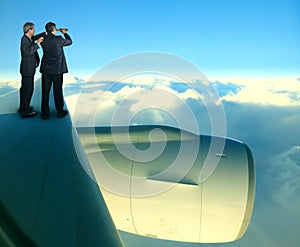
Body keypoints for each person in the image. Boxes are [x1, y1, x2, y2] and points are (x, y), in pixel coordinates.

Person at [40, 22, 72, 119]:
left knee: (45, 92)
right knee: (57, 91)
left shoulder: (42, 40)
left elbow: (42, 38)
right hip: (57, 70)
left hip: (46, 69)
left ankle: (45, 114)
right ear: (54, 29)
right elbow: (70, 41)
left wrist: (47, 33)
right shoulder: (59, 39)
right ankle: (60, 112)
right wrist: (64, 33)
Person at [19, 22, 45, 118]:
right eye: (33, 29)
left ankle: (23, 107)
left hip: (27, 69)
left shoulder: (28, 38)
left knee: (24, 89)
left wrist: (45, 33)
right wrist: (37, 43)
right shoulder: (24, 40)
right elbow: (28, 52)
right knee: (28, 90)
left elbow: (36, 36)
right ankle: (25, 112)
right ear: (29, 30)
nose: (34, 31)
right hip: (27, 69)